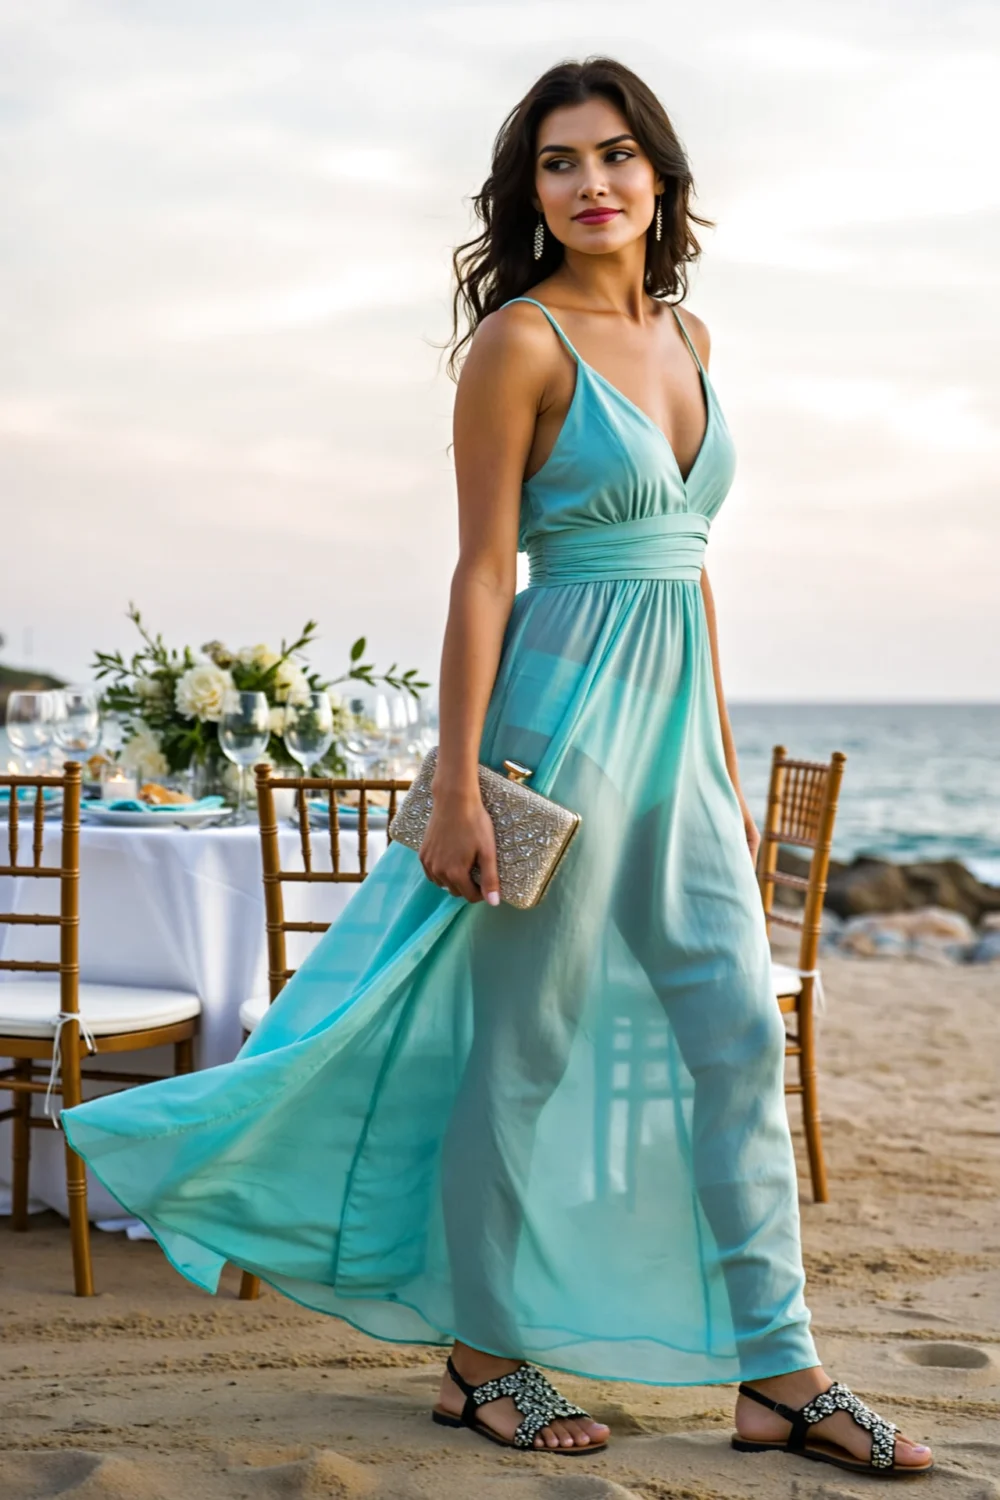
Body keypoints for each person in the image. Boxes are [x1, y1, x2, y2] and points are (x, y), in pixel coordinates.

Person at [62, 56, 933, 1481]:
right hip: (558, 732)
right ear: (528, 193)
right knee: (518, 1056)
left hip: (674, 756)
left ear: (661, 175)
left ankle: (781, 1376)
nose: (592, 184)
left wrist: (715, 764)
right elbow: (482, 576)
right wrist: (457, 783)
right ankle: (482, 1361)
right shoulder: (518, 345)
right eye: (558, 163)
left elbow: (691, 575)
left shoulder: (690, 336)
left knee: (739, 1041)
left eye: (615, 156)